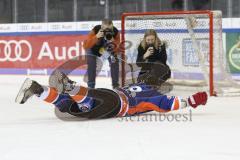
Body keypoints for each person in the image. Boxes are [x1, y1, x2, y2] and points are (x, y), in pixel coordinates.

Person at [15, 70, 208, 119]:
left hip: (111, 93)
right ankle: (71, 86)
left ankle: (37, 89)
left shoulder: (137, 83)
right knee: (88, 106)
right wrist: (190, 102)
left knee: (66, 105)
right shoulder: (152, 93)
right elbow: (166, 104)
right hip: (117, 105)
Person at [83, 19, 120, 89]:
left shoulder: (115, 32)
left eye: (110, 29)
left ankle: (115, 86)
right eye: (105, 29)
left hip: (106, 48)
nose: (107, 31)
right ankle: (91, 86)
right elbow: (86, 46)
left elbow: (117, 50)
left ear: (112, 27)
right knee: (91, 63)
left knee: (114, 60)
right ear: (102, 27)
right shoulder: (95, 30)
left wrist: (113, 41)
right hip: (93, 48)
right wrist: (96, 36)